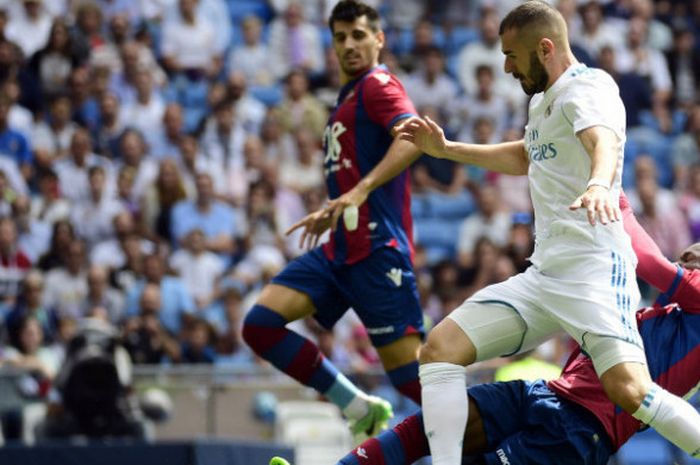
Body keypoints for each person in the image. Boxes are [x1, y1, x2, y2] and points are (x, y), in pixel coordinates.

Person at [396, 2, 700, 464]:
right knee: (439, 349)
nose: (506, 66)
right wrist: (446, 149)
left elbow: (602, 140)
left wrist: (599, 183)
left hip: (595, 270)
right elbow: (526, 155)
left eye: (512, 55)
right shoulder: (543, 101)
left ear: (545, 48)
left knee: (629, 389)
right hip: (546, 274)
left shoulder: (588, 89)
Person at [270, 191, 700, 465]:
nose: (687, 258)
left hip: (581, 431)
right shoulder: (663, 313)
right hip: (547, 393)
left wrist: (615, 200)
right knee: (433, 427)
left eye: (694, 257)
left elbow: (649, 262)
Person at [242, 0, 423, 441]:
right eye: (340, 37)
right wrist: (336, 208)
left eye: (359, 34)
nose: (349, 45)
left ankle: (504, 434)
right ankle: (357, 405)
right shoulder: (347, 96)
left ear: (379, 39)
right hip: (340, 248)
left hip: (377, 252)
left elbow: (415, 138)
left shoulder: (379, 85)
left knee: (414, 383)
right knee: (260, 325)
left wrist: (358, 192)